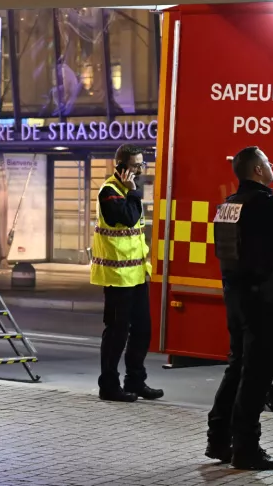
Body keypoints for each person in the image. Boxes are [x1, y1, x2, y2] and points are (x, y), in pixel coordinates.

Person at [206, 146, 273, 470]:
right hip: (261, 299)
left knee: (237, 365)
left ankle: (218, 438)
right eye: (267, 161)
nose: (272, 164)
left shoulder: (227, 206)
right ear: (258, 170)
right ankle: (247, 448)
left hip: (235, 297)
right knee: (258, 372)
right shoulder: (265, 205)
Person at [91, 144, 164, 403]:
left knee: (143, 329)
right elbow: (126, 219)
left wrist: (144, 270)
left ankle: (135, 381)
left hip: (135, 275)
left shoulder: (128, 191)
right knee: (116, 332)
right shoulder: (110, 192)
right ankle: (108, 386)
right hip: (116, 277)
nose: (139, 170)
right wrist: (133, 193)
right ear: (120, 167)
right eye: (135, 165)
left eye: (142, 165)